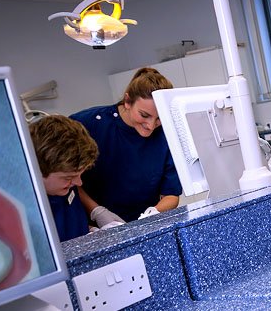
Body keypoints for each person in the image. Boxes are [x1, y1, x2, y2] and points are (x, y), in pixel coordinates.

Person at [71, 67, 181, 226]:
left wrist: (154, 213)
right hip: (94, 227)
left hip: (142, 226)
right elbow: (67, 179)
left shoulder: (166, 135)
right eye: (144, 115)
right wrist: (96, 212)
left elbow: (171, 194)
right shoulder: (89, 124)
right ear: (127, 101)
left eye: (159, 118)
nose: (151, 126)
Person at [29, 115, 99, 242]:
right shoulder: (31, 214)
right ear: (36, 171)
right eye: (69, 178)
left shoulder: (62, 186)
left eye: (79, 175)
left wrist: (92, 232)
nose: (79, 182)